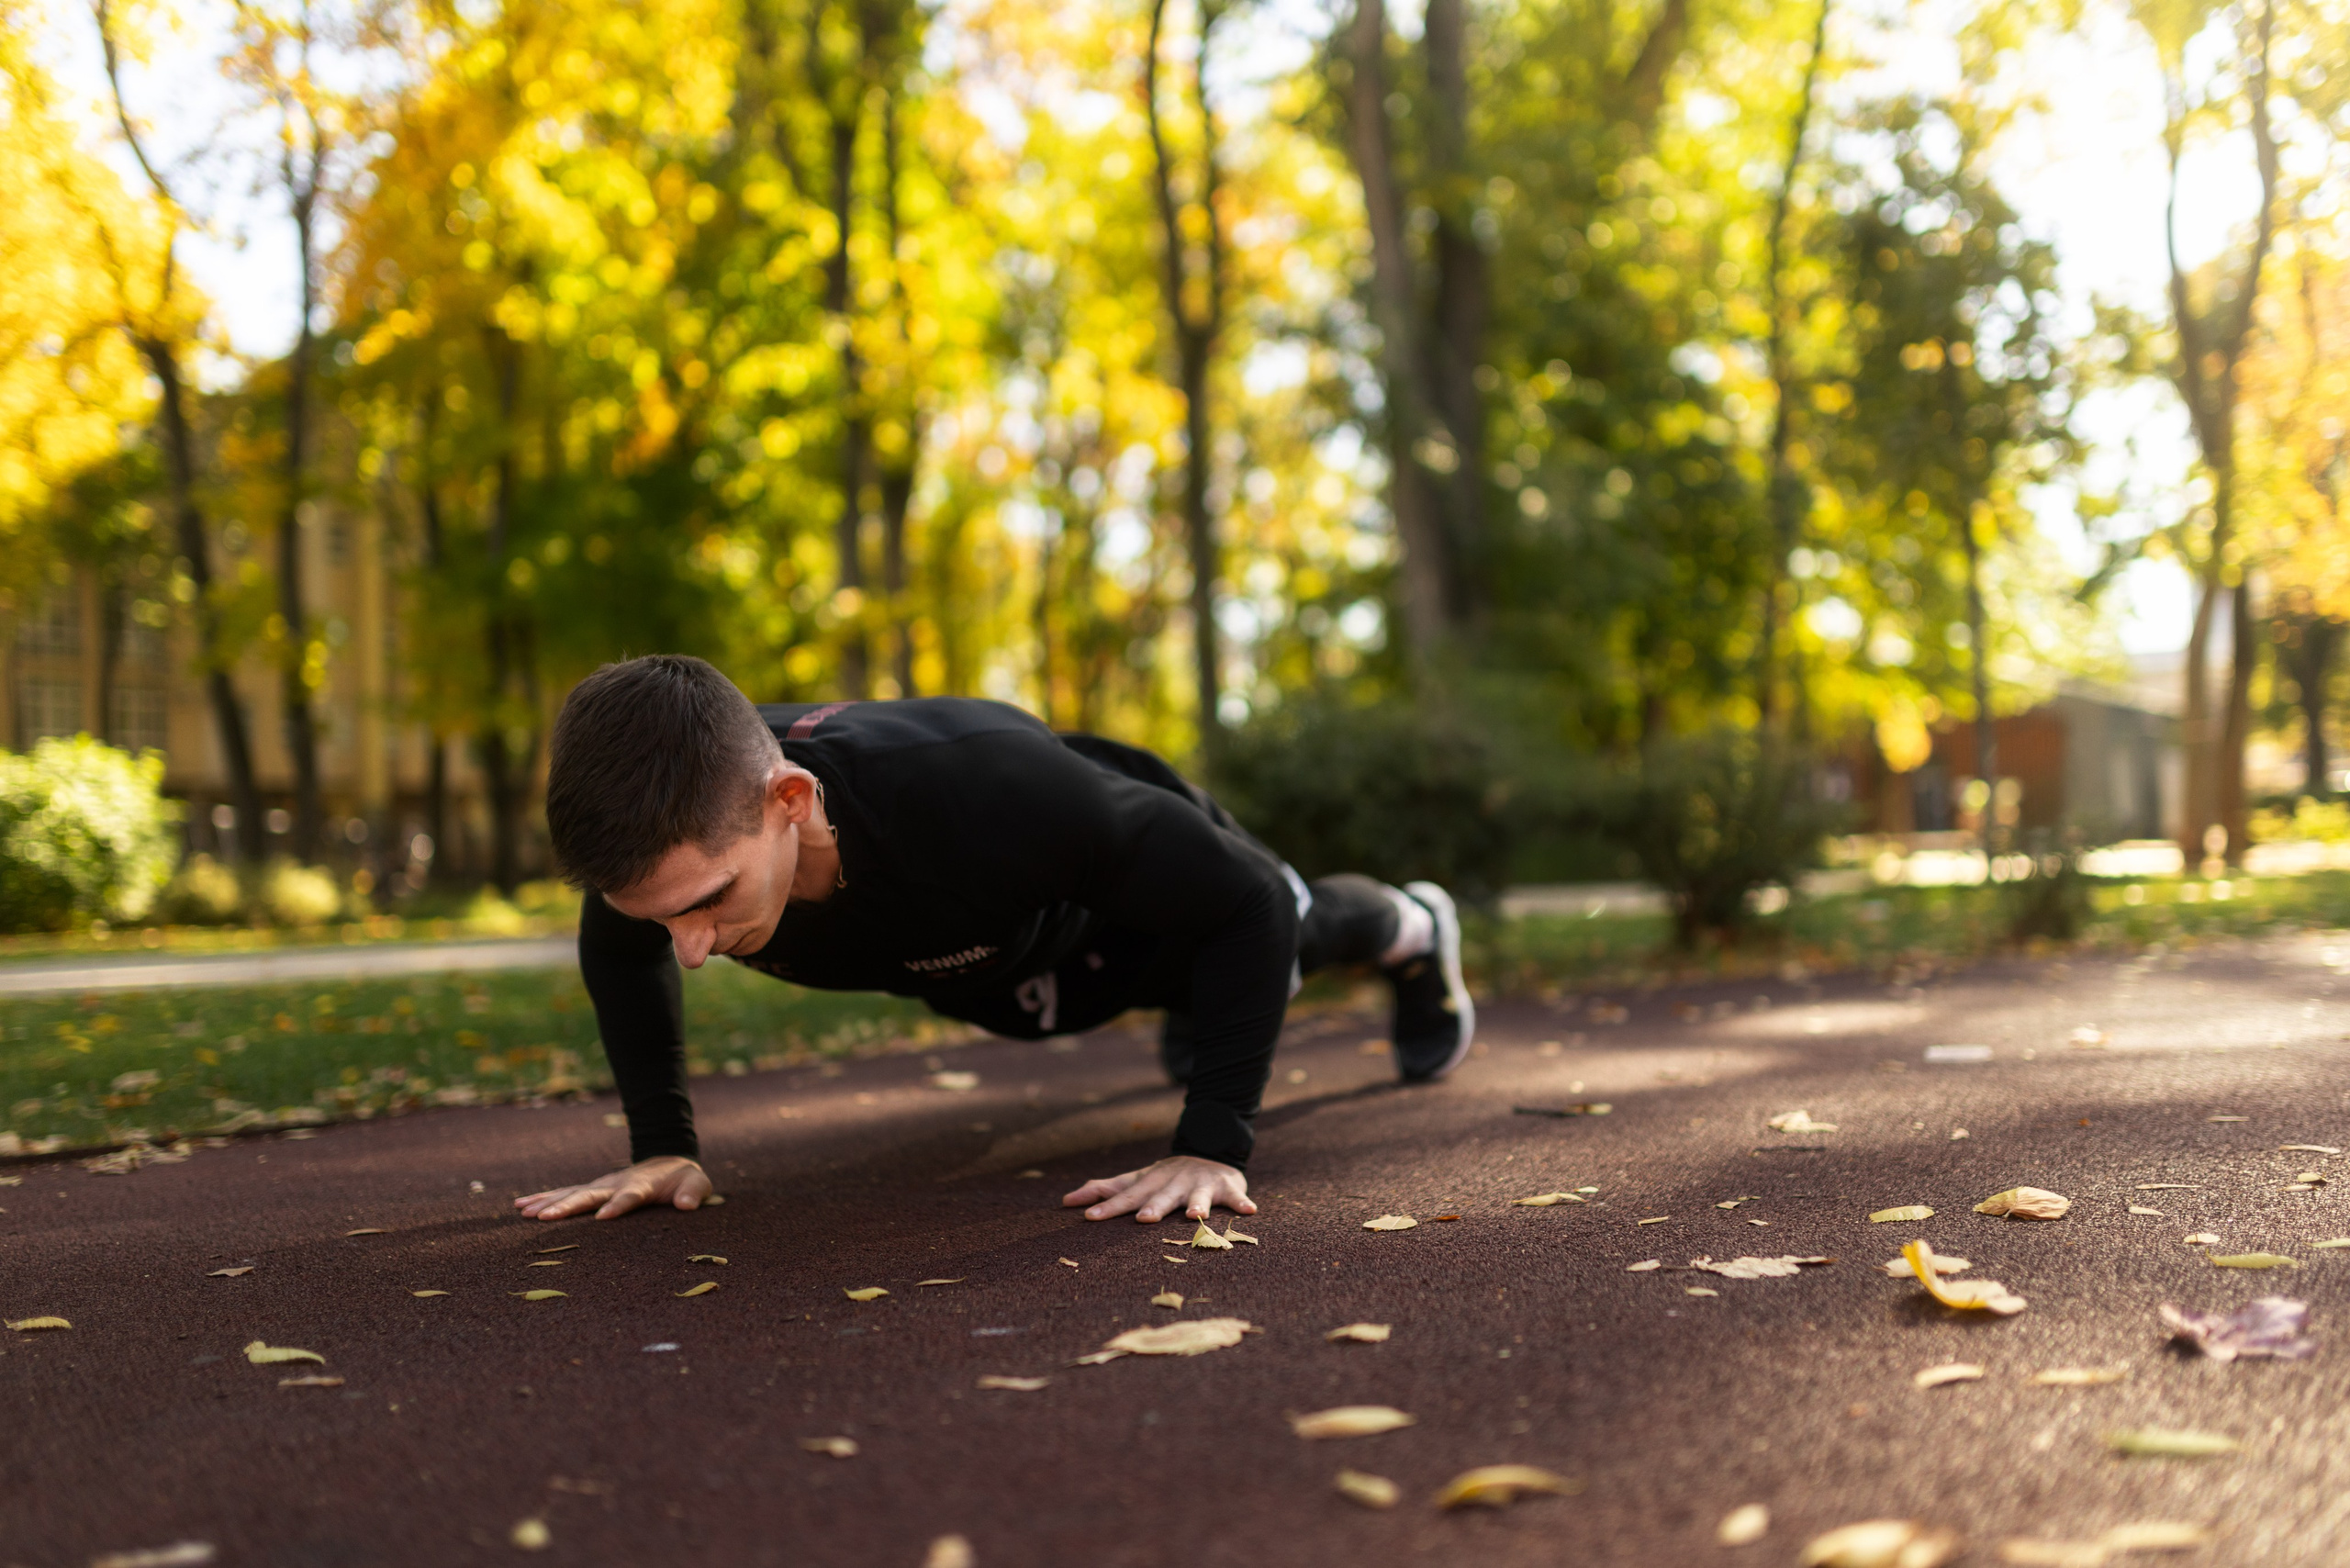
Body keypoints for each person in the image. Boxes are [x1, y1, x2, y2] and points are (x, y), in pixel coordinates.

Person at [515, 655, 1473, 1227]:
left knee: (1283, 937)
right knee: (1125, 1005)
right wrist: (662, 1146)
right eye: (660, 919)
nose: (690, 950)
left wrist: (1212, 1145)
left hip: (1126, 903)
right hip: (998, 966)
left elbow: (1246, 904)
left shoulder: (989, 794)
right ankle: (1200, 1006)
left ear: (790, 800)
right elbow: (623, 951)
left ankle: (1414, 925)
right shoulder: (662, 844)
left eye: (710, 903)